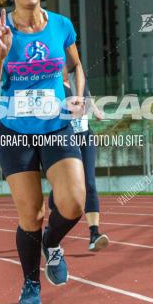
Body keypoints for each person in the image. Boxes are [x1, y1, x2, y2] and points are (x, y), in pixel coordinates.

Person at [0, 0, 86, 304]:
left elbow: (75, 65)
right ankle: (31, 284)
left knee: (73, 204)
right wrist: (2, 53)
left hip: (56, 127)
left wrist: (79, 93)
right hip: (15, 132)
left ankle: (51, 244)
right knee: (32, 215)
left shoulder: (61, 25)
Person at [49, 72, 109, 252]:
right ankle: (53, 228)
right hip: (64, 139)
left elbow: (88, 100)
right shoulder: (53, 83)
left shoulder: (78, 79)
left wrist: (98, 112)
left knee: (89, 182)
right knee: (63, 187)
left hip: (85, 137)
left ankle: (94, 234)